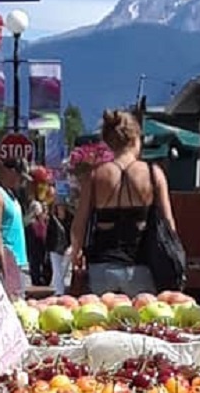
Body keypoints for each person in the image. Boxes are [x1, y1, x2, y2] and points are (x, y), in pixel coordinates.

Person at [69, 110, 178, 295]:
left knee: (101, 323)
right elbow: (169, 225)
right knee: (142, 323)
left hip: (101, 270)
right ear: (136, 138)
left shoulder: (95, 176)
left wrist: (75, 255)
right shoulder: (153, 174)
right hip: (142, 268)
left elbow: (78, 226)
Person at [0, 157, 30, 296]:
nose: (21, 182)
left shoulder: (11, 195)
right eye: (20, 177)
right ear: (9, 171)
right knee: (8, 306)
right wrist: (5, 268)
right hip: (4, 262)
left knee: (18, 307)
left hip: (18, 261)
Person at [46, 199, 74, 295]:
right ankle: (59, 292)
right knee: (57, 270)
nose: (60, 208)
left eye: (62, 205)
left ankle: (57, 290)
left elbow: (73, 232)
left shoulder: (71, 218)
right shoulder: (52, 219)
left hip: (67, 248)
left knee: (64, 270)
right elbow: (49, 234)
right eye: (58, 206)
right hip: (55, 248)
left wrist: (72, 245)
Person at [25, 200, 48, 287]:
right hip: (33, 247)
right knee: (35, 266)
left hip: (42, 246)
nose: (39, 211)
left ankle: (41, 280)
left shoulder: (42, 220)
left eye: (39, 209)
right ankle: (36, 282)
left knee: (42, 264)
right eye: (37, 209)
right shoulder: (30, 222)